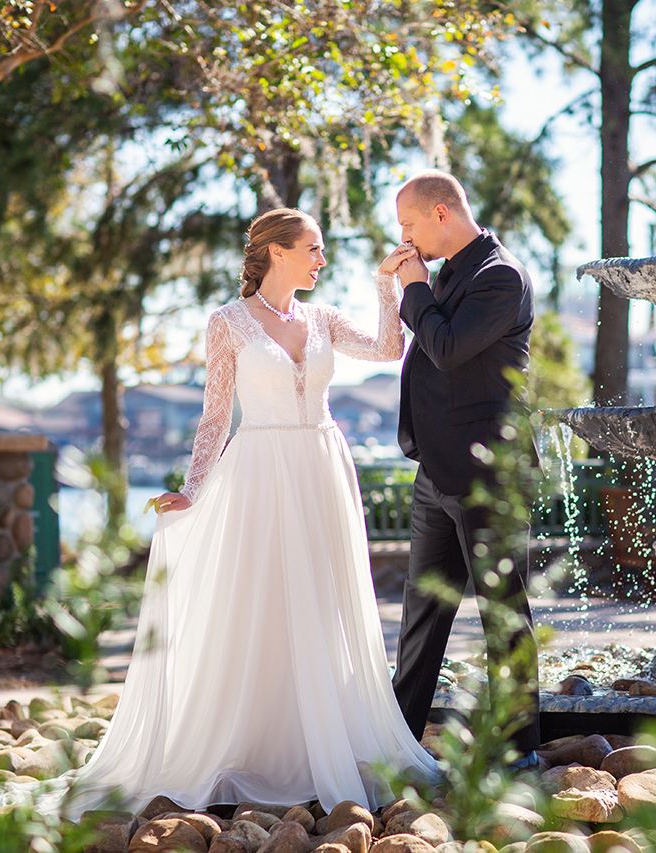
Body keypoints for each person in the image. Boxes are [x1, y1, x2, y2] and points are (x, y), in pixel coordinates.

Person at [61, 208, 440, 814]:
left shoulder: (322, 317)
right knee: (263, 599)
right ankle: (261, 749)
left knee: (322, 598)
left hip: (322, 465)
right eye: (313, 248)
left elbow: (389, 349)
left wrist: (385, 285)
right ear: (276, 252)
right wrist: (191, 488)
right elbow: (216, 415)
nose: (322, 259)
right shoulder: (228, 323)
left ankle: (326, 744)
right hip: (260, 469)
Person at [387, 170, 541, 767]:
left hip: (489, 476)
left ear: (442, 214)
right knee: (421, 616)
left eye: (408, 223)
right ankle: (401, 743)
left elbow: (447, 349)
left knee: (504, 611)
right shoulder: (449, 272)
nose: (404, 235)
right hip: (436, 472)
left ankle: (519, 751)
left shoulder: (500, 275)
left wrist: (415, 287)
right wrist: (415, 288)